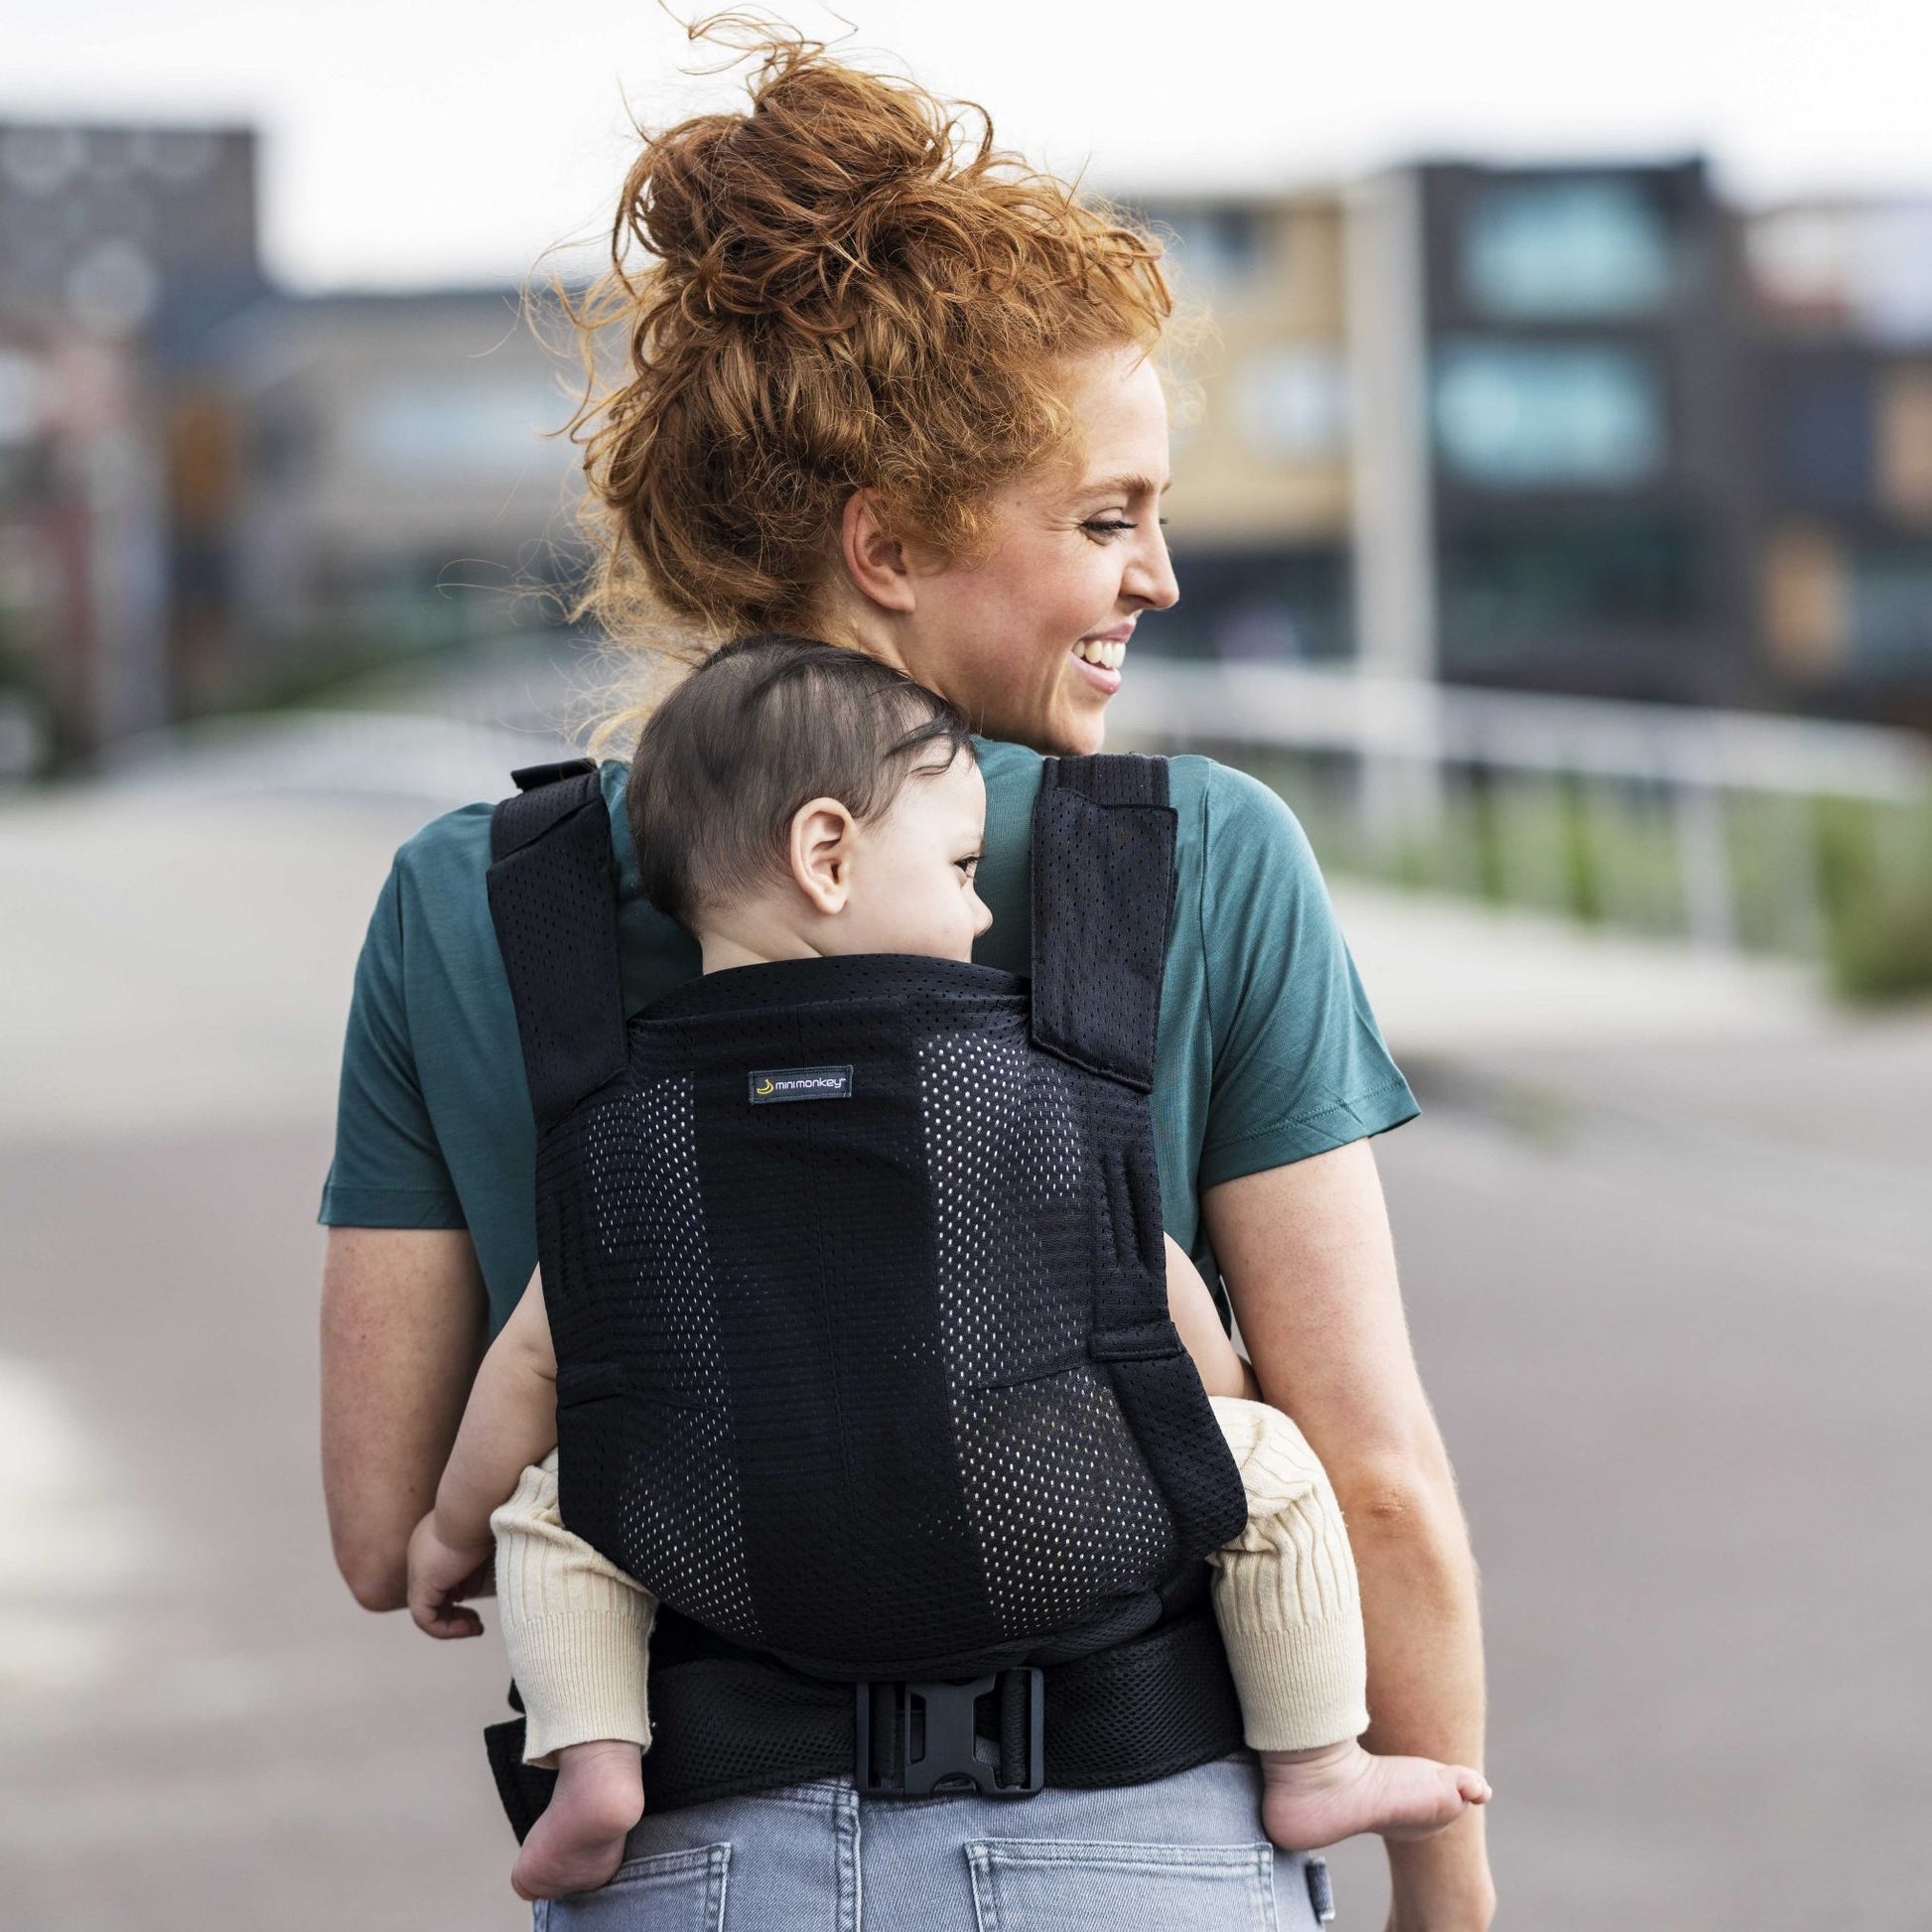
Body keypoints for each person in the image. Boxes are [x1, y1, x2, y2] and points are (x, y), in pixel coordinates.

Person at [321, 33, 1494, 1929]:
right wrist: (1449, 1890)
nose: (1161, 577)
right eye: (1105, 518)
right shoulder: (1201, 856)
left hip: (686, 1865)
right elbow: (1369, 1482)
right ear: (886, 544)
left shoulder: (469, 901)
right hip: (1149, 1846)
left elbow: (390, 1533)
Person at [402, 636, 1489, 1900]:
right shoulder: (1015, 1084)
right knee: (1273, 1472)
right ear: (826, 854)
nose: (980, 909)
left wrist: (446, 1528)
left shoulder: (633, 1120)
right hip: (1045, 1530)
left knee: (558, 1509)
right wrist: (1218, 1398)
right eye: (963, 869)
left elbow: (537, 1353)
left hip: (721, 1546)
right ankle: (1317, 1760)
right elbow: (1145, 1303)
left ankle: (594, 1765)